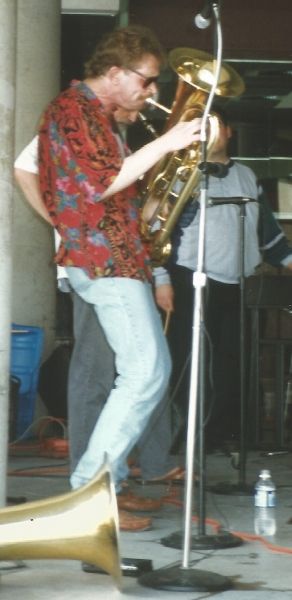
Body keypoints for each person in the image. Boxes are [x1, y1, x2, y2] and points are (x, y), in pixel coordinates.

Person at [31, 25, 201, 530]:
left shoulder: (98, 118)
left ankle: (105, 485)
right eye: (147, 80)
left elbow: (115, 188)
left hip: (117, 258)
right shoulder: (73, 109)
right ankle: (90, 491)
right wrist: (172, 138)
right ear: (113, 73)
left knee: (146, 371)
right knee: (145, 372)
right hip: (102, 260)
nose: (151, 91)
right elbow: (101, 184)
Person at [154, 106, 292, 451]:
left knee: (231, 365)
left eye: (217, 125)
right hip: (192, 282)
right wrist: (160, 278)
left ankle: (219, 435)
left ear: (229, 132)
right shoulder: (186, 176)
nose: (211, 133)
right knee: (189, 364)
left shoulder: (248, 176)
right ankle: (184, 441)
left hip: (238, 286)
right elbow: (159, 233)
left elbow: (268, 234)